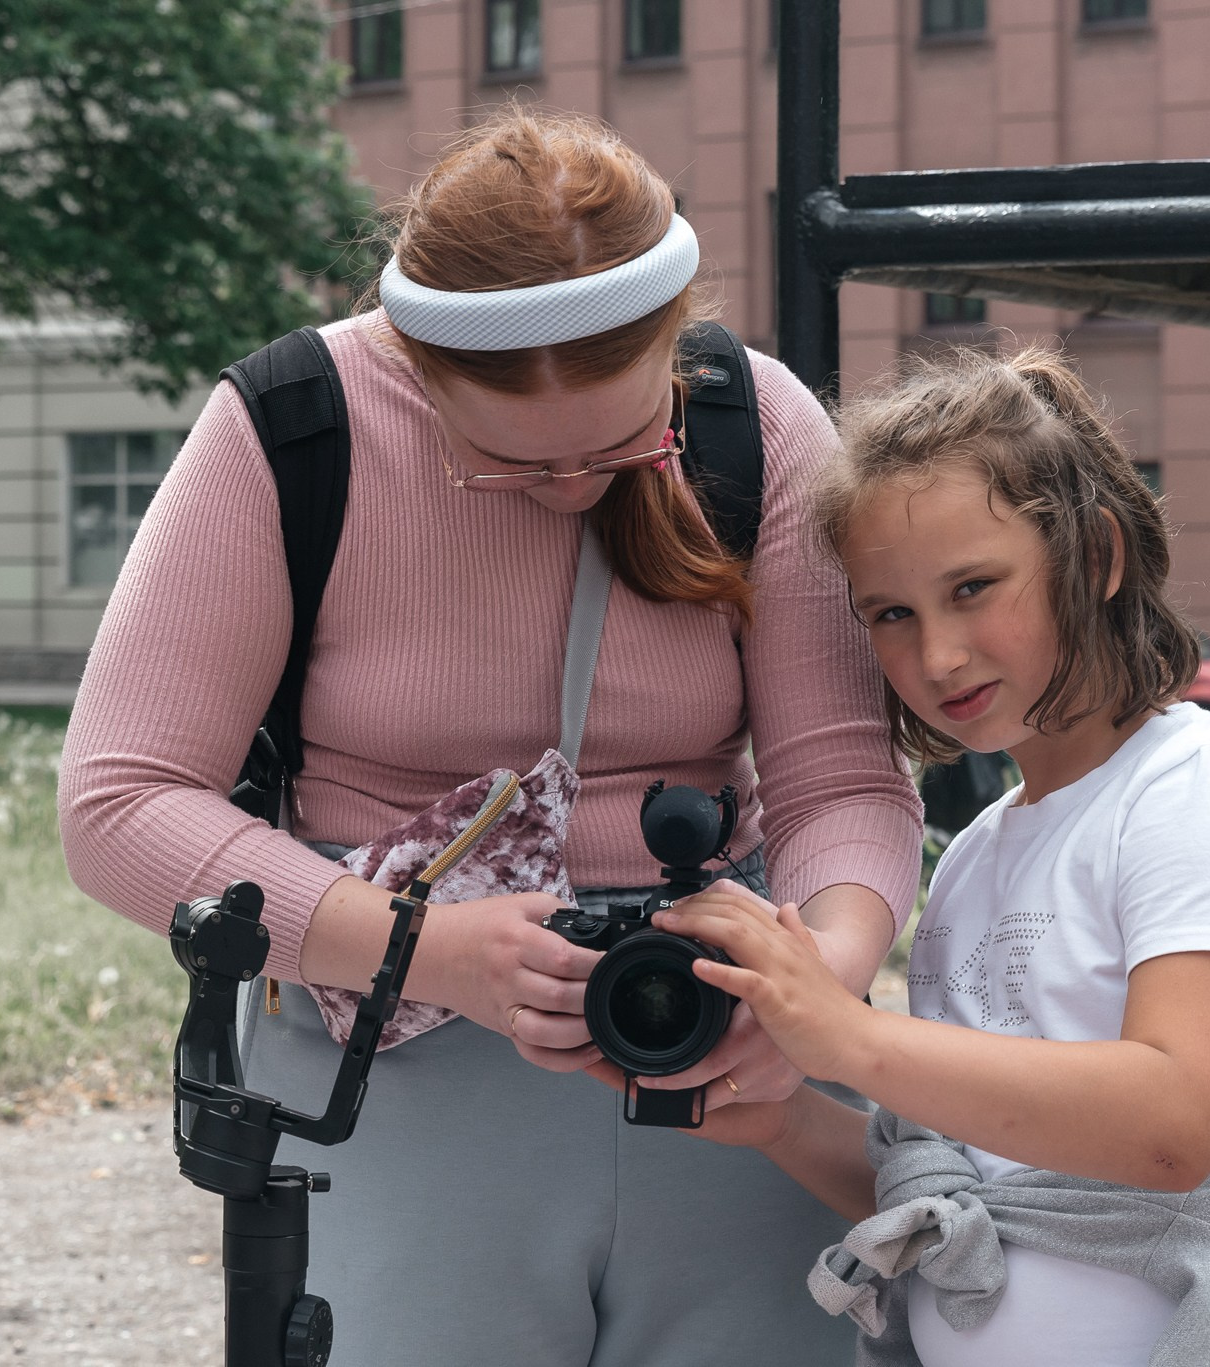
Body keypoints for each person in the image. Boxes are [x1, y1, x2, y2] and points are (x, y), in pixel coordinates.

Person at [56, 107, 922, 1366]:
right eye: (511, 466)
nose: (573, 492)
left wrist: (817, 984)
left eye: (620, 447)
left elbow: (839, 770)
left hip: (728, 1059)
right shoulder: (292, 429)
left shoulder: (757, 423)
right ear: (415, 367)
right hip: (396, 1061)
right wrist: (422, 947)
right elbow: (119, 800)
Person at [641, 346, 1210, 1365]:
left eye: (973, 587)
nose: (935, 654)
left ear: (1098, 555)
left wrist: (843, 1033)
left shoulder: (1198, 791)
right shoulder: (978, 852)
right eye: (890, 613)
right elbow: (962, 1181)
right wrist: (768, 1112)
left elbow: (1175, 1121)